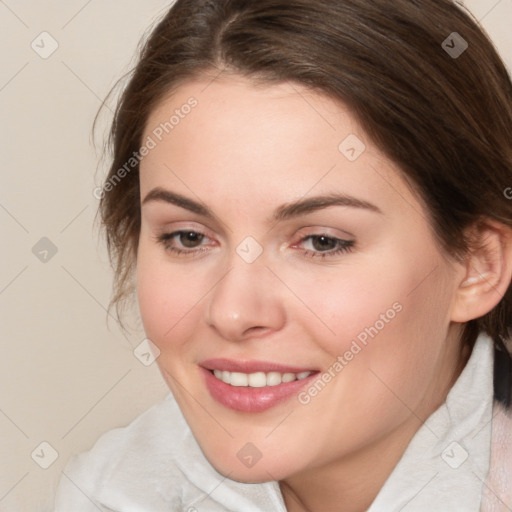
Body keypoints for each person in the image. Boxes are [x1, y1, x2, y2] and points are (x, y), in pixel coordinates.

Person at [54, 0, 512, 510]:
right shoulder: (109, 492)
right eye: (187, 237)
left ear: (477, 265)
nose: (233, 312)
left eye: (321, 242)